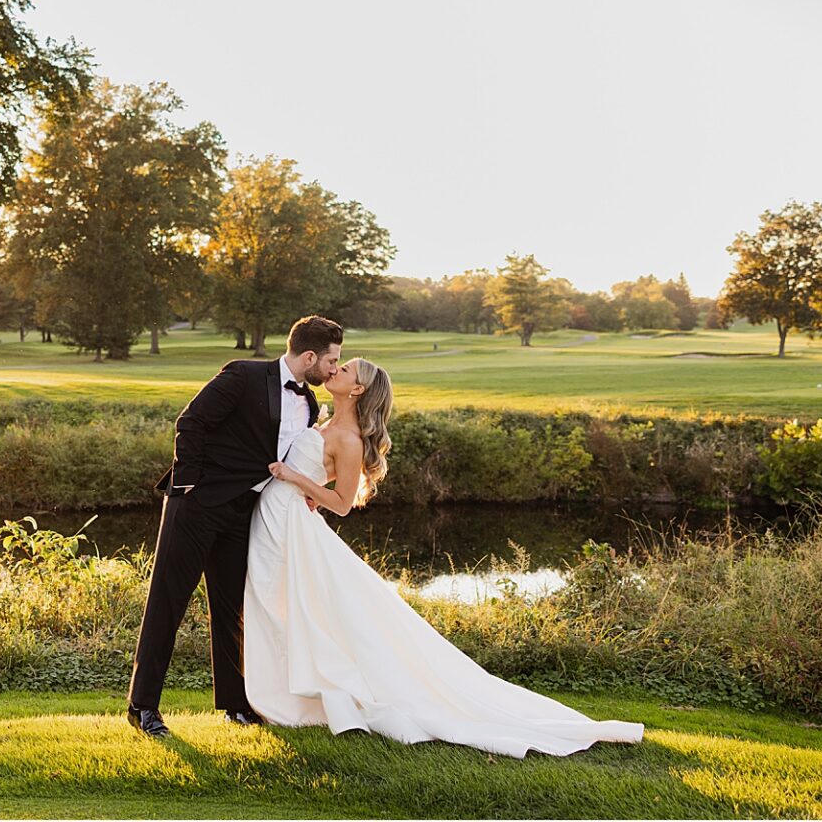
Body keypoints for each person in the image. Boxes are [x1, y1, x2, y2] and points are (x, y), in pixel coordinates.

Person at [243, 354, 644, 757]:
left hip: (290, 522)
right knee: (275, 603)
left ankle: (290, 697)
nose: (336, 370)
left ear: (358, 389)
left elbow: (343, 503)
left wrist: (296, 479)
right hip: (279, 517)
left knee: (287, 604)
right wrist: (303, 483)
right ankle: (279, 692)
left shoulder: (348, 439)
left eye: (345, 369)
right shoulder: (324, 419)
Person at [126, 315, 345, 733]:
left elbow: (293, 459)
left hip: (246, 513)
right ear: (311, 356)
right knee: (167, 603)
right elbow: (191, 423)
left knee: (231, 610)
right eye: (332, 361)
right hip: (196, 506)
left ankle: (235, 704)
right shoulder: (244, 375)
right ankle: (143, 707)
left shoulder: (311, 403)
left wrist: (309, 493)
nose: (335, 369)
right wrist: (187, 486)